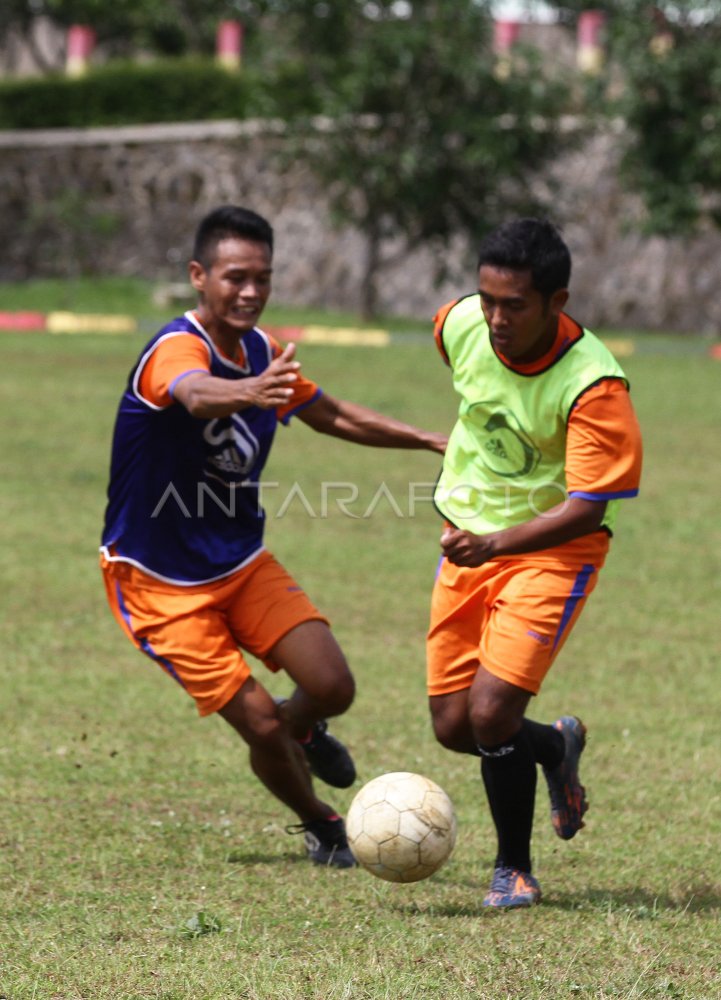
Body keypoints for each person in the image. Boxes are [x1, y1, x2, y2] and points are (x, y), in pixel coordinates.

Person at [100, 204, 446, 868]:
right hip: (157, 583)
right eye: (234, 277)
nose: (250, 292)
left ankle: (301, 731)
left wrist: (427, 438)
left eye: (262, 278)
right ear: (199, 276)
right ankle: (321, 823)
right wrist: (251, 392)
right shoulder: (177, 348)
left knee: (332, 686)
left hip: (240, 562)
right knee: (260, 725)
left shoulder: (260, 351)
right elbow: (195, 393)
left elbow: (329, 414)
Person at [426, 218, 642, 908]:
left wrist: (495, 541)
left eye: (513, 305)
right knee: (453, 727)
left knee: (490, 713)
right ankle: (552, 748)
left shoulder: (593, 386)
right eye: (486, 299)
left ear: (557, 300)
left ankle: (512, 870)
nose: (493, 318)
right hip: (467, 542)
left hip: (553, 551)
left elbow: (586, 507)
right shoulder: (457, 324)